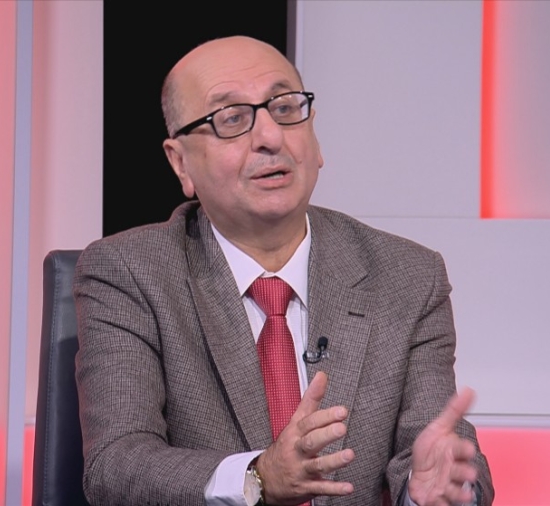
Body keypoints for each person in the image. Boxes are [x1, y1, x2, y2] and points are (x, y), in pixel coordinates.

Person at [74, 35, 494, 506]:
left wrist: (434, 493)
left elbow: (434, 449)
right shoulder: (129, 272)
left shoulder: (408, 277)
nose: (270, 137)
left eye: (285, 108)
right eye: (232, 118)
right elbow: (116, 465)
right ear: (180, 163)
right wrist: (257, 477)